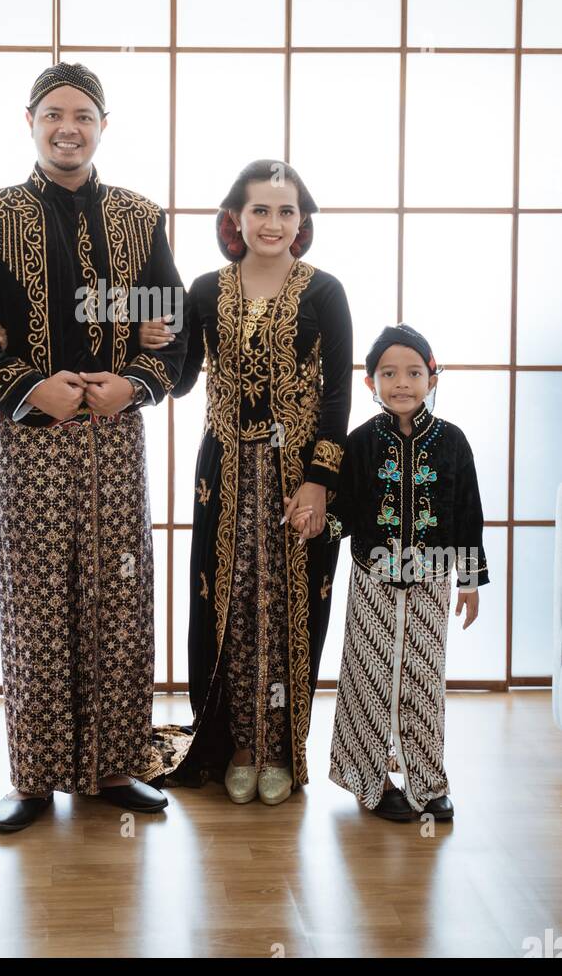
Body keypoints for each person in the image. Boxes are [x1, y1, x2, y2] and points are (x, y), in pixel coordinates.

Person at [0, 61, 190, 833]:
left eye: (83, 113)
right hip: (30, 442)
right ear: (31, 122)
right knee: (37, 600)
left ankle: (114, 766)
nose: (68, 127)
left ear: (103, 125)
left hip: (115, 440)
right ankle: (36, 776)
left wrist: (136, 383)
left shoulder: (140, 219)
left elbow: (174, 327)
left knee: (119, 596)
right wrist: (25, 385)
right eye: (54, 114)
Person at [141, 160, 353, 804]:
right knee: (229, 603)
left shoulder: (325, 292)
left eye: (286, 211)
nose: (273, 223)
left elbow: (339, 394)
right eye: (260, 210)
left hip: (300, 473)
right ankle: (236, 742)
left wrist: (319, 482)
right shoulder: (205, 290)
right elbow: (180, 380)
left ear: (302, 222)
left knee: (291, 606)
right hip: (225, 467)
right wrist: (155, 339)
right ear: (235, 218)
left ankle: (282, 748)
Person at [323, 323, 488, 822]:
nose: (402, 383)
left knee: (422, 678)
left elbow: (467, 512)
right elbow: (347, 510)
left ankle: (427, 783)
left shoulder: (454, 443)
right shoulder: (360, 442)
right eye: (389, 373)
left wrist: (469, 581)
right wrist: (318, 524)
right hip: (373, 578)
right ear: (371, 382)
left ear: (432, 378)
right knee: (370, 677)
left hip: (432, 579)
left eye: (414, 372)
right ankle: (370, 780)